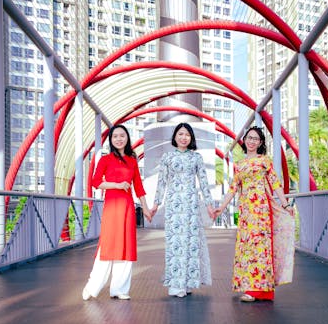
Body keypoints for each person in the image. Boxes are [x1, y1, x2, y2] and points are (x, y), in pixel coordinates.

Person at [215, 126, 294, 302]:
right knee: (246, 248)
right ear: (244, 140)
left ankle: (257, 290)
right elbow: (233, 189)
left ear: (260, 143)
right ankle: (249, 286)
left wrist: (285, 204)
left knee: (260, 248)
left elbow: (275, 184)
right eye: (249, 138)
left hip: (261, 210)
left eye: (255, 139)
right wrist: (221, 207)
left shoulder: (264, 161)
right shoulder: (239, 165)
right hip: (245, 212)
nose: (251, 141)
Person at [82, 124, 151, 301]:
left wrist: (145, 208)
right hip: (112, 207)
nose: (119, 139)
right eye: (115, 136)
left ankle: (119, 289)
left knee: (125, 246)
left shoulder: (132, 161)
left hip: (127, 208)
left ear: (127, 138)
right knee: (108, 246)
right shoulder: (105, 160)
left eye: (122, 136)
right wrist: (117, 185)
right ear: (111, 140)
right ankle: (93, 286)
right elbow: (95, 182)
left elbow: (139, 188)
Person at [151, 122, 216, 298]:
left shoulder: (196, 158)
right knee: (175, 242)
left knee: (191, 243)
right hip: (174, 205)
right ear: (175, 136)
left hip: (191, 205)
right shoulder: (167, 157)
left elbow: (203, 183)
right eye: (180, 134)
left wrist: (210, 206)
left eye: (187, 134)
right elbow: (162, 182)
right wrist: (155, 204)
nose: (183, 137)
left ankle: (188, 282)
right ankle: (176, 284)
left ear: (191, 138)